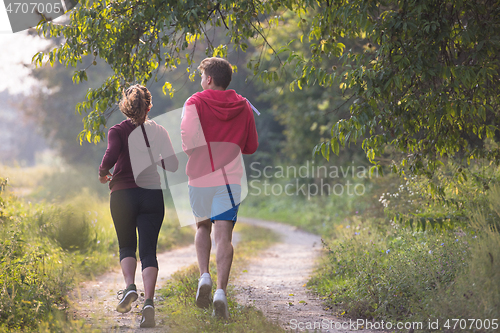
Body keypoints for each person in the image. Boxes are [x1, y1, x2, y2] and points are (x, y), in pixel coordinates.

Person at [180, 57, 259, 319]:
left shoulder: (194, 102)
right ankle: (221, 293)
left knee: (202, 226)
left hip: (200, 176)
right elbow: (250, 147)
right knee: (224, 236)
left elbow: (188, 143)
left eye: (202, 76)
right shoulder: (244, 106)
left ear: (209, 79)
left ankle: (204, 276)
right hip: (230, 179)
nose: (201, 81)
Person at [99, 84, 178, 328]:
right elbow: (172, 165)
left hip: (123, 194)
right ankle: (149, 303)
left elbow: (111, 155)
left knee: (126, 246)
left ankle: (130, 287)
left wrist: (103, 172)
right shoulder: (160, 131)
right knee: (148, 252)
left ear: (126, 106)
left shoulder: (117, 130)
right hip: (151, 195)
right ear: (149, 106)